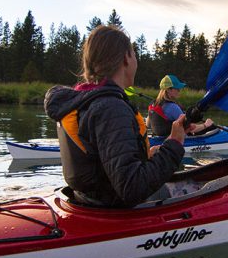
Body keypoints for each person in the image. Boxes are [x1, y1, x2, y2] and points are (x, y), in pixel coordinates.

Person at [44, 26, 187, 207]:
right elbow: (132, 187)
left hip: (92, 201)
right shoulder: (110, 108)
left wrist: (146, 155)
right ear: (126, 59)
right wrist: (174, 144)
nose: (136, 60)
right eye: (134, 54)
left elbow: (105, 163)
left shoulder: (87, 103)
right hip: (113, 209)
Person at [147, 74, 214, 137]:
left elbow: (148, 124)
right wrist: (205, 125)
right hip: (174, 141)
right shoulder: (173, 107)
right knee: (210, 128)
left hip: (159, 139)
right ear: (168, 90)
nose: (179, 90)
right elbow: (189, 128)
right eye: (177, 88)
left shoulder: (153, 104)